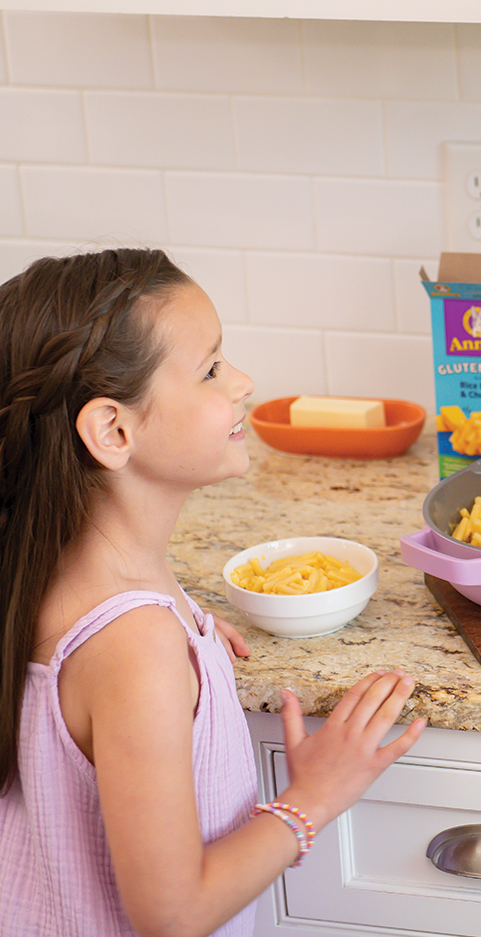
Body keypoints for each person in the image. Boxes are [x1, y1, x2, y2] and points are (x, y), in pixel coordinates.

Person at [0, 248, 427, 937]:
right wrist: (313, 797)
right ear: (114, 430)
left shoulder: (59, 571)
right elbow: (173, 913)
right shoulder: (134, 649)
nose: (243, 381)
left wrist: (187, 630)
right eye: (210, 369)